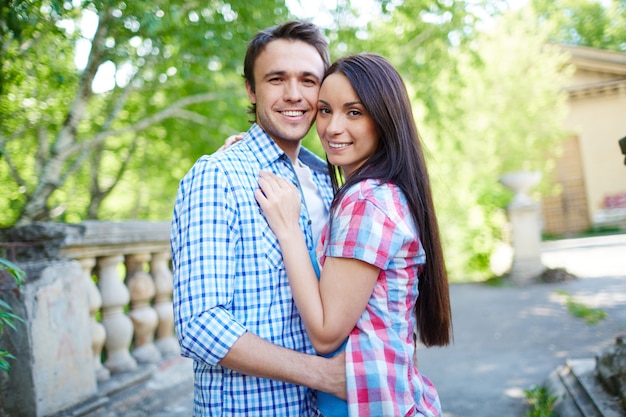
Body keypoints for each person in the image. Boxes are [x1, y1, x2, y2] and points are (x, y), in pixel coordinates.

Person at [255, 53, 453, 417]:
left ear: (384, 119)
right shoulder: (378, 191)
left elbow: (327, 332)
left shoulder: (366, 201)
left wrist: (288, 229)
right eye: (326, 110)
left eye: (354, 112)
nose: (332, 128)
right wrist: (252, 150)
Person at [170, 21, 345, 417]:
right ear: (252, 89)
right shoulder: (217, 176)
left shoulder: (328, 180)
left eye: (308, 80)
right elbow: (200, 326)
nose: (294, 94)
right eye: (276, 79)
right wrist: (322, 375)